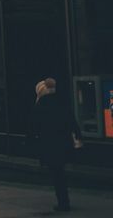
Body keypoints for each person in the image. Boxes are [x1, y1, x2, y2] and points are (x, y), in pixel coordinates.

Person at [31, 78, 81, 212]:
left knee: (57, 173)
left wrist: (31, 140)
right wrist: (77, 135)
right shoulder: (61, 101)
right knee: (60, 172)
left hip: (49, 144)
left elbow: (34, 126)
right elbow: (71, 120)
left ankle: (63, 202)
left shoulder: (41, 104)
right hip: (63, 142)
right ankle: (64, 201)